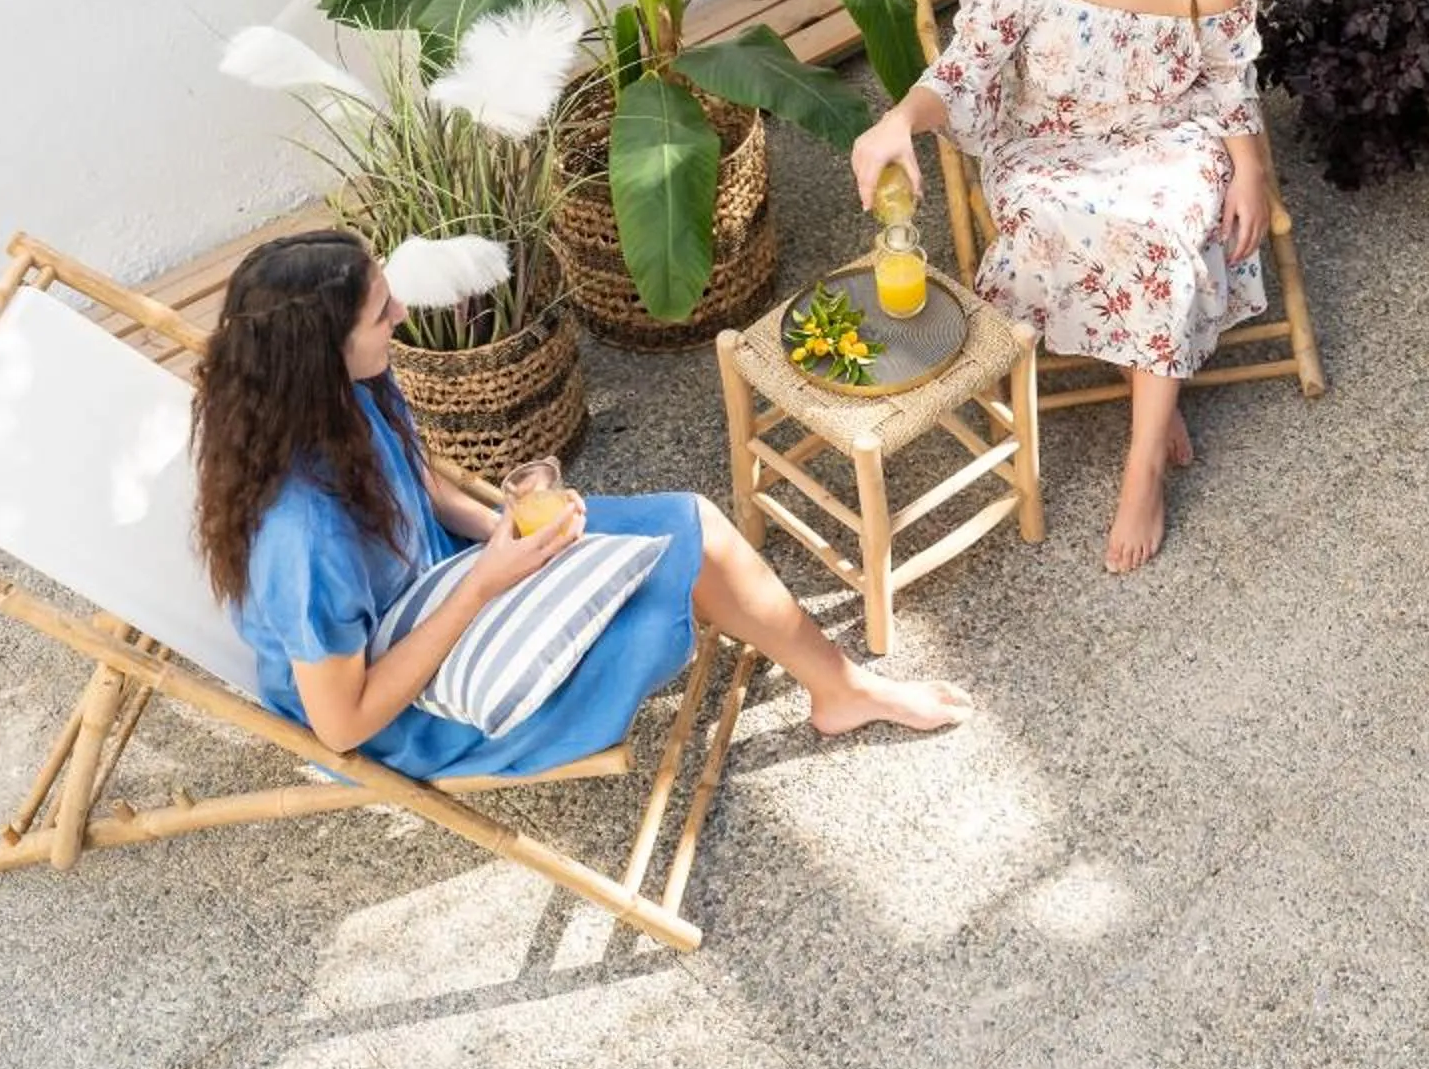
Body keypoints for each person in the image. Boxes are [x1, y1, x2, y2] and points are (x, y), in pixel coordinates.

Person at [190, 229, 970, 775]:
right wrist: (489, 582)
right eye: (379, 314)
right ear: (316, 352)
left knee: (687, 523)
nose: (400, 317)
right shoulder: (305, 538)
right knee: (665, 577)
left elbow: (422, 486)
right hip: (409, 710)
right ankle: (837, 684)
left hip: (442, 586)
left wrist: (502, 530)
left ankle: (839, 689)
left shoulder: (344, 390)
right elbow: (342, 723)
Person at [851, 0, 1269, 575]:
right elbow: (966, 66)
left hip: (1167, 139)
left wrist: (1249, 171)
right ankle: (1154, 370)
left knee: (1158, 229)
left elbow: (1228, 87)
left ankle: (1142, 465)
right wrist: (900, 119)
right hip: (1047, 141)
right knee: (1063, 218)